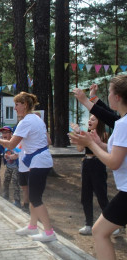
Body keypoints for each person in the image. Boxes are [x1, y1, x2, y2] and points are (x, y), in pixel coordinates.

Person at [0, 92, 56, 242]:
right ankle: (32, 226)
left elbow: (11, 144)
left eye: (17, 104)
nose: (15, 108)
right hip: (38, 161)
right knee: (33, 195)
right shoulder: (35, 118)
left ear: (25, 105)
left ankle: (49, 232)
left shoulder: (27, 121)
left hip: (38, 162)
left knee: (35, 197)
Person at [70, 75, 127, 260]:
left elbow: (113, 162)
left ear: (117, 96)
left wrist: (91, 145)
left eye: (109, 92)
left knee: (100, 231)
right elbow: (118, 153)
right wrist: (98, 143)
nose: (108, 96)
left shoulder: (123, 124)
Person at [70, 115, 110, 236]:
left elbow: (104, 149)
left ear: (99, 122)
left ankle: (112, 223)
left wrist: (86, 137)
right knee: (85, 196)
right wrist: (79, 136)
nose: (89, 121)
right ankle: (88, 224)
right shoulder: (86, 134)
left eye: (93, 119)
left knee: (101, 195)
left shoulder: (104, 135)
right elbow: (79, 149)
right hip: (86, 163)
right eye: (89, 119)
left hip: (98, 164)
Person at [0, 126, 21, 206]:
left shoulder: (15, 142)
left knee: (15, 182)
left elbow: (19, 152)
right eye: (3, 133)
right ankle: (5, 196)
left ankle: (17, 201)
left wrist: (13, 154)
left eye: (6, 132)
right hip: (8, 166)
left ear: (11, 133)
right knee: (6, 182)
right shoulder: (3, 143)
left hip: (16, 167)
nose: (4, 134)